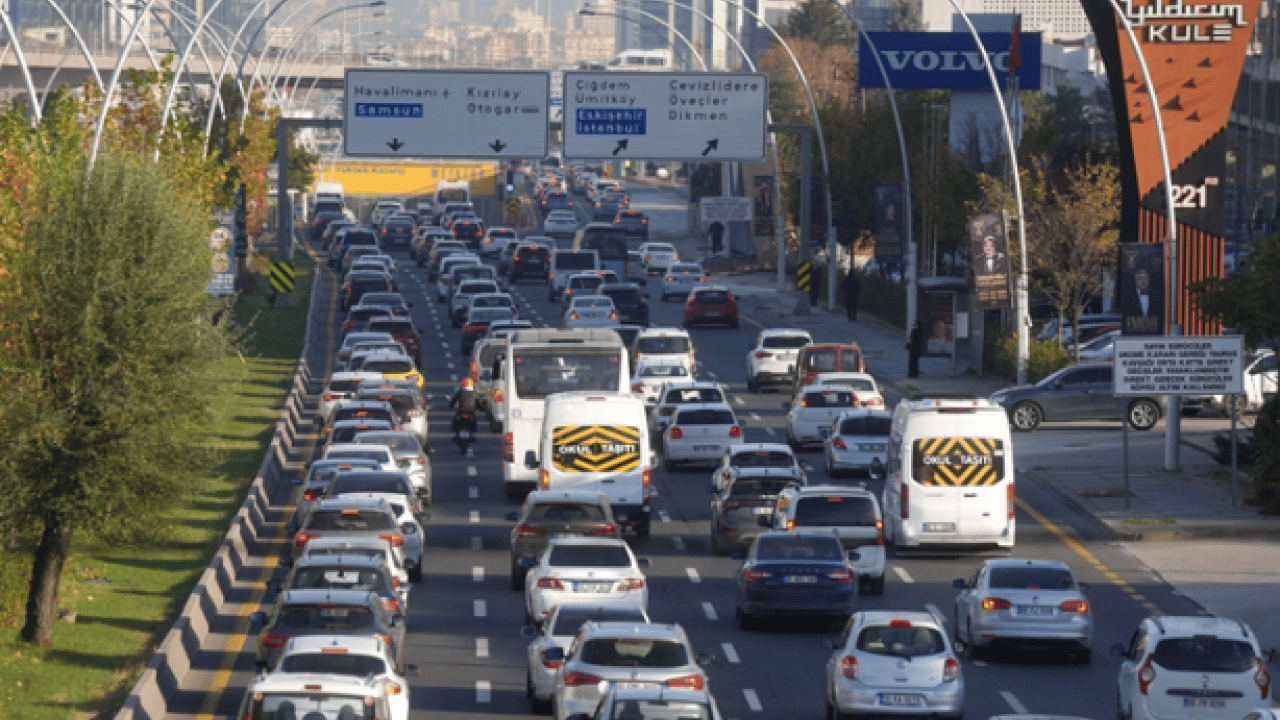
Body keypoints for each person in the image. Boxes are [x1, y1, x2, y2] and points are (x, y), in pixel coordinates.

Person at [1120, 265, 1164, 334]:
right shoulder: (1128, 298)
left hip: (1153, 335)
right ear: (1136, 281)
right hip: (1133, 334)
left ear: (1149, 281)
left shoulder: (1157, 297)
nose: (1143, 281)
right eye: (1140, 279)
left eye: (1145, 279)